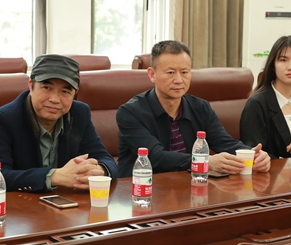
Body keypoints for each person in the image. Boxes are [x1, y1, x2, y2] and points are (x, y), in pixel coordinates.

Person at [116, 40, 271, 177]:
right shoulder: (130, 112)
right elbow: (156, 157)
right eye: (170, 73)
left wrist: (253, 155)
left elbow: (225, 142)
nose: (179, 80)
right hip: (142, 189)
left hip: (188, 186)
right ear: (152, 74)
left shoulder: (200, 107)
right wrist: (205, 162)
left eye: (184, 72)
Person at [0, 54, 118, 193]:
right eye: (47, 88)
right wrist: (54, 176)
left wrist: (98, 170)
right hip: (10, 203)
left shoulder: (79, 113)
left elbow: (105, 159)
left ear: (75, 94)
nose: (55, 99)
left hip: (64, 202)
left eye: (65, 91)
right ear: (31, 86)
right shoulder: (2, 120)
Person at [239, 36, 291, 159]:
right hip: (269, 170)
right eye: (283, 60)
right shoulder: (257, 104)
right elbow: (252, 151)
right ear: (273, 65)